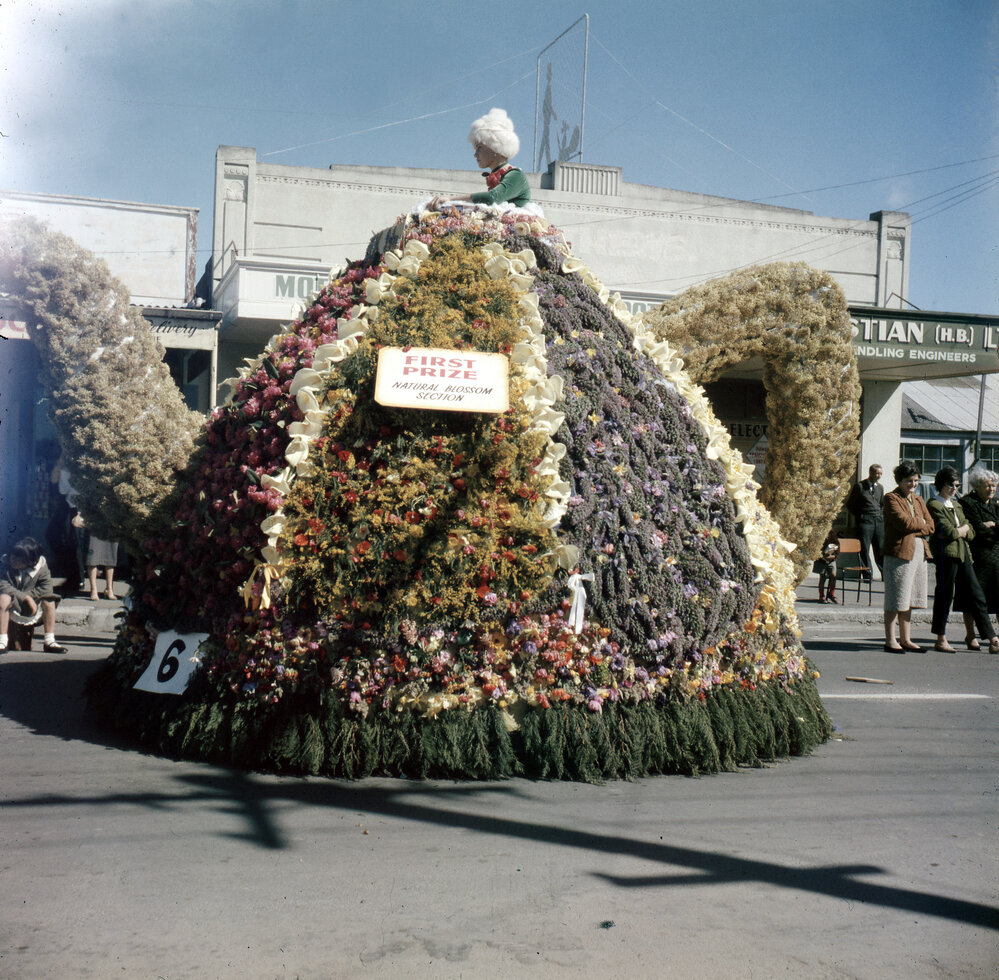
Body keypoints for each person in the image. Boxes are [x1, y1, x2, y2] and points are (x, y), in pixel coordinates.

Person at [927, 466, 999, 654]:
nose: (954, 488)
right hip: (947, 554)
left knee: (976, 594)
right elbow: (948, 531)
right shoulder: (935, 504)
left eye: (957, 485)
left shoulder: (956, 504)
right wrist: (962, 530)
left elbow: (972, 531)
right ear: (941, 484)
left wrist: (964, 530)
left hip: (964, 552)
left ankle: (992, 637)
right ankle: (941, 637)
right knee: (945, 595)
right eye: (950, 485)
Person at [429, 108, 531, 210]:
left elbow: (492, 198)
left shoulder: (516, 175)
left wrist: (450, 199)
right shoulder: (505, 175)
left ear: (495, 147)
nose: (475, 154)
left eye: (479, 147)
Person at [882, 461, 934, 652]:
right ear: (900, 480)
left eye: (915, 481)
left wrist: (918, 524)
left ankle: (906, 638)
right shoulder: (891, 498)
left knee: (910, 597)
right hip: (899, 553)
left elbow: (931, 525)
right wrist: (919, 524)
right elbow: (902, 523)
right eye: (908, 481)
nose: (913, 484)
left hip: (918, 552)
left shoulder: (919, 500)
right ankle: (890, 640)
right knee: (896, 598)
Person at [0, 537, 67, 654]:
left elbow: (46, 588)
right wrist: (25, 597)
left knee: (49, 599)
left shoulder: (41, 568)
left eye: (18, 559)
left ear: (29, 561)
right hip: (11, 605)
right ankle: (2, 641)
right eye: (13, 556)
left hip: (32, 607)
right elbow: (3, 585)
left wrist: (30, 598)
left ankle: (49, 641)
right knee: (3, 598)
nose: (13, 560)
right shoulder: (5, 564)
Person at [957, 466, 999, 649]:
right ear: (976, 486)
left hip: (996, 556)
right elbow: (977, 530)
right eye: (986, 486)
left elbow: (989, 529)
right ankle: (970, 635)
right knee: (972, 598)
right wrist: (986, 527)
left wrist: (993, 525)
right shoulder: (968, 503)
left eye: (994, 486)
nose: (991, 489)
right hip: (976, 557)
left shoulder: (996, 504)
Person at [846, 463, 884, 577]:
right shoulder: (860, 486)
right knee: (864, 549)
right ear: (870, 473)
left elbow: (882, 504)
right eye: (877, 473)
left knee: (880, 549)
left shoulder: (880, 487)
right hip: (865, 522)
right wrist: (861, 516)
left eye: (881, 474)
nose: (879, 476)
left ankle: (885, 574)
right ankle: (867, 575)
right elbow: (850, 505)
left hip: (878, 522)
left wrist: (881, 516)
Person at [86, 532, 118, 601]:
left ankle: (109, 589)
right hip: (94, 524)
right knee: (93, 559)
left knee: (110, 556)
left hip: (110, 525)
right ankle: (93, 589)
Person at [813, 530, 840, 603]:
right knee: (822, 577)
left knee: (833, 575)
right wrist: (822, 556)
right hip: (821, 560)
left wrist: (832, 556)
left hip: (831, 560)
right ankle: (821, 595)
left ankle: (831, 594)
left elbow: (837, 554)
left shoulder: (835, 541)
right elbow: (816, 551)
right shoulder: (820, 539)